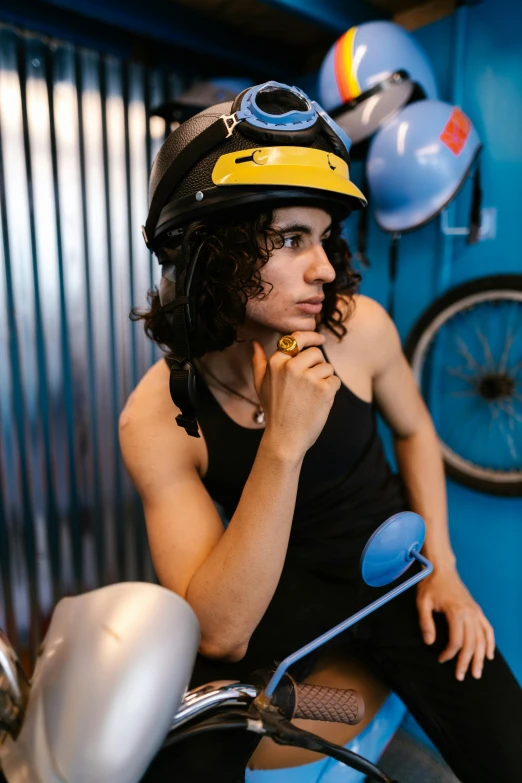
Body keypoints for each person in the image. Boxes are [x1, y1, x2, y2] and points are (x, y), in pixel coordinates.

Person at [119, 82, 522, 782]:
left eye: (325, 239)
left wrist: (448, 572)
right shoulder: (156, 417)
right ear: (211, 253)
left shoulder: (359, 328)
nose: (326, 269)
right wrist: (283, 443)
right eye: (290, 239)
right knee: (184, 759)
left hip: (401, 583)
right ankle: (360, 697)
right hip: (279, 599)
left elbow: (416, 431)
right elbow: (221, 629)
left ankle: (384, 685)